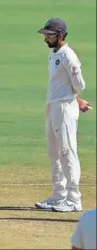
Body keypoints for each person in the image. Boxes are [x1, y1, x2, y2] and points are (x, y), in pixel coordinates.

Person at [35, 18, 92, 213]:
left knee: (67, 152)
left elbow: (79, 85)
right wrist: (78, 100)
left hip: (64, 109)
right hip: (52, 106)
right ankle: (59, 194)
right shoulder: (53, 53)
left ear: (61, 36)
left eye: (49, 36)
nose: (46, 39)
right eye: (45, 35)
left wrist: (74, 100)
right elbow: (62, 85)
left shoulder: (69, 56)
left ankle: (74, 199)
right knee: (54, 152)